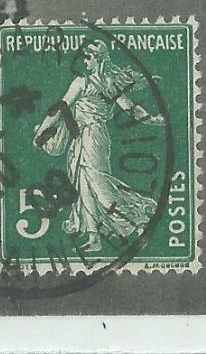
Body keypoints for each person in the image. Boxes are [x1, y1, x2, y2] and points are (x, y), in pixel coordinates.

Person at [33, 41, 164, 254]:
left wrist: (40, 133)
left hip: (93, 136)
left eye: (89, 56)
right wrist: (156, 120)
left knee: (98, 183)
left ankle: (138, 222)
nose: (84, 60)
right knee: (83, 186)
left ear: (99, 59)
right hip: (82, 137)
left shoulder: (84, 83)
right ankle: (94, 237)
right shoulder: (103, 82)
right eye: (84, 56)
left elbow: (59, 110)